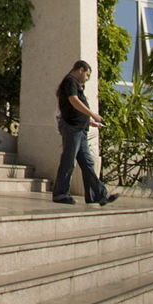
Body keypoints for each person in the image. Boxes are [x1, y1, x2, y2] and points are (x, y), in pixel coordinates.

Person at [52, 60, 120, 206]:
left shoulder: (74, 83)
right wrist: (93, 114)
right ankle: (60, 193)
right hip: (73, 128)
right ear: (80, 70)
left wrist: (89, 121)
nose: (87, 78)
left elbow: (74, 108)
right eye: (87, 75)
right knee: (68, 160)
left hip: (80, 129)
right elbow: (73, 101)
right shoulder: (70, 81)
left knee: (88, 163)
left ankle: (97, 195)